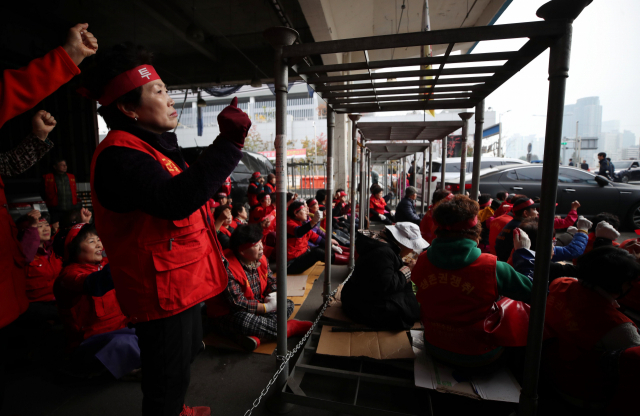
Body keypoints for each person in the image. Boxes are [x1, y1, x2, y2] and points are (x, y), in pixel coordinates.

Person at [87, 43, 249, 416]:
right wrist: (228, 144)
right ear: (128, 109)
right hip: (159, 293)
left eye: (166, 88)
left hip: (180, 283)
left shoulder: (149, 147)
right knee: (165, 380)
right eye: (158, 91)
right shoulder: (119, 155)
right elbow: (176, 199)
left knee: (186, 354)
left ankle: (178, 409)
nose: (169, 97)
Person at [411, 195, 532, 368]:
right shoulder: (492, 266)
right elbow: (534, 292)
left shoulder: (421, 260)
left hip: (434, 345)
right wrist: (524, 254)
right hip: (479, 355)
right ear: (476, 229)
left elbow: (418, 292)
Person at [543, 246, 640, 413]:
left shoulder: (560, 284)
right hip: (584, 396)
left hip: (548, 372)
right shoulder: (619, 327)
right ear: (623, 285)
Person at [205, 224, 312, 350]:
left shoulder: (260, 258)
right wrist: (266, 307)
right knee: (243, 321)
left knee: (288, 304)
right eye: (256, 245)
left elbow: (271, 280)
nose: (261, 247)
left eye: (261, 242)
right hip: (231, 313)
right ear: (242, 251)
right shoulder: (227, 269)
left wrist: (275, 294)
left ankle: (253, 333)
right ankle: (285, 328)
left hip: (258, 306)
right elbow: (237, 303)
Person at [55, 223, 140, 380]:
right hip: (90, 344)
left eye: (98, 239)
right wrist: (120, 252)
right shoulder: (68, 277)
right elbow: (95, 284)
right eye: (91, 241)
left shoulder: (102, 265)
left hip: (121, 330)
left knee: (150, 331)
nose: (99, 244)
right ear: (73, 249)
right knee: (126, 342)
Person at [341, 224, 425, 330]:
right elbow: (387, 285)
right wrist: (409, 270)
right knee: (412, 307)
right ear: (402, 243)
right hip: (360, 306)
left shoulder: (382, 247)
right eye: (411, 246)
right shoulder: (384, 252)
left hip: (355, 297)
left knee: (410, 297)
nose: (411, 250)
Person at [286, 201, 345, 274]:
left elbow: (316, 238)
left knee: (325, 246)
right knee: (317, 253)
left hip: (302, 255)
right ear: (295, 213)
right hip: (291, 264)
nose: (306, 212)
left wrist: (331, 246)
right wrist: (313, 221)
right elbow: (299, 232)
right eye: (304, 210)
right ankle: (347, 260)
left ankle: (349, 256)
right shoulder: (288, 224)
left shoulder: (301, 223)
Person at [494, 196, 539, 261]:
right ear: (525, 213)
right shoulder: (524, 228)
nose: (537, 213)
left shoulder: (511, 224)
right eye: (534, 209)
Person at [41, 158, 82, 222]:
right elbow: (42, 192)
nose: (65, 166)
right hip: (55, 209)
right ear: (55, 167)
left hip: (70, 209)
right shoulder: (47, 177)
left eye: (65, 165)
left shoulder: (71, 177)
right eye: (62, 165)